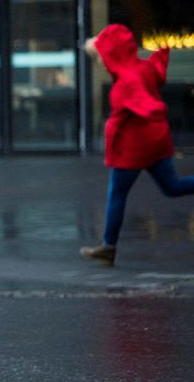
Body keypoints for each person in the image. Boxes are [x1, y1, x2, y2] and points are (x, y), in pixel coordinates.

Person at [80, 24, 194, 266]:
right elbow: (156, 71)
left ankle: (108, 247)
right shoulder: (142, 68)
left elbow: (143, 103)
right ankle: (108, 247)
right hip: (156, 143)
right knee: (172, 186)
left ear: (111, 55)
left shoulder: (126, 82)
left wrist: (152, 108)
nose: (99, 61)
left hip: (132, 150)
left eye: (100, 56)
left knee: (117, 195)